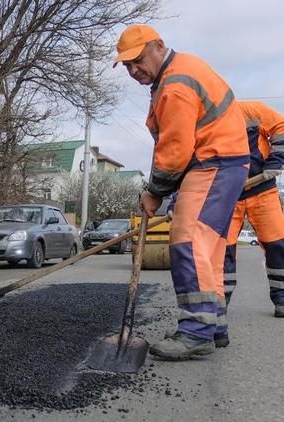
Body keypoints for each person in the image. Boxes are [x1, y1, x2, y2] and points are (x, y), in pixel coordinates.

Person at [114, 24, 249, 360]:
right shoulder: (177, 72)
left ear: (158, 46)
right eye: (128, 66)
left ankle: (196, 332)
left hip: (214, 162)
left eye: (138, 60)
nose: (134, 70)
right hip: (221, 163)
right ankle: (213, 326)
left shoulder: (175, 85)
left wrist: (155, 192)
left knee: (187, 242)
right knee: (209, 249)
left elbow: (174, 149)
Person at [223, 101, 284, 317]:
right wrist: (178, 200)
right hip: (227, 196)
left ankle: (282, 298)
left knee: (278, 244)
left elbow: (281, 126)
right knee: (222, 249)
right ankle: (217, 306)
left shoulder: (251, 111)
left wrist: (275, 161)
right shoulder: (203, 121)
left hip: (262, 190)